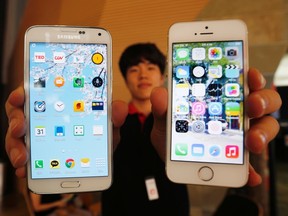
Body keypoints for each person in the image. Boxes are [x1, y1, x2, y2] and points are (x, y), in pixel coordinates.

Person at [5, 43, 281, 215]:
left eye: (150, 67)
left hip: (171, 207)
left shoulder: (183, 116)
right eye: (134, 69)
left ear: (162, 75)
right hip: (120, 206)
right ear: (124, 77)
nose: (143, 73)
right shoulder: (108, 118)